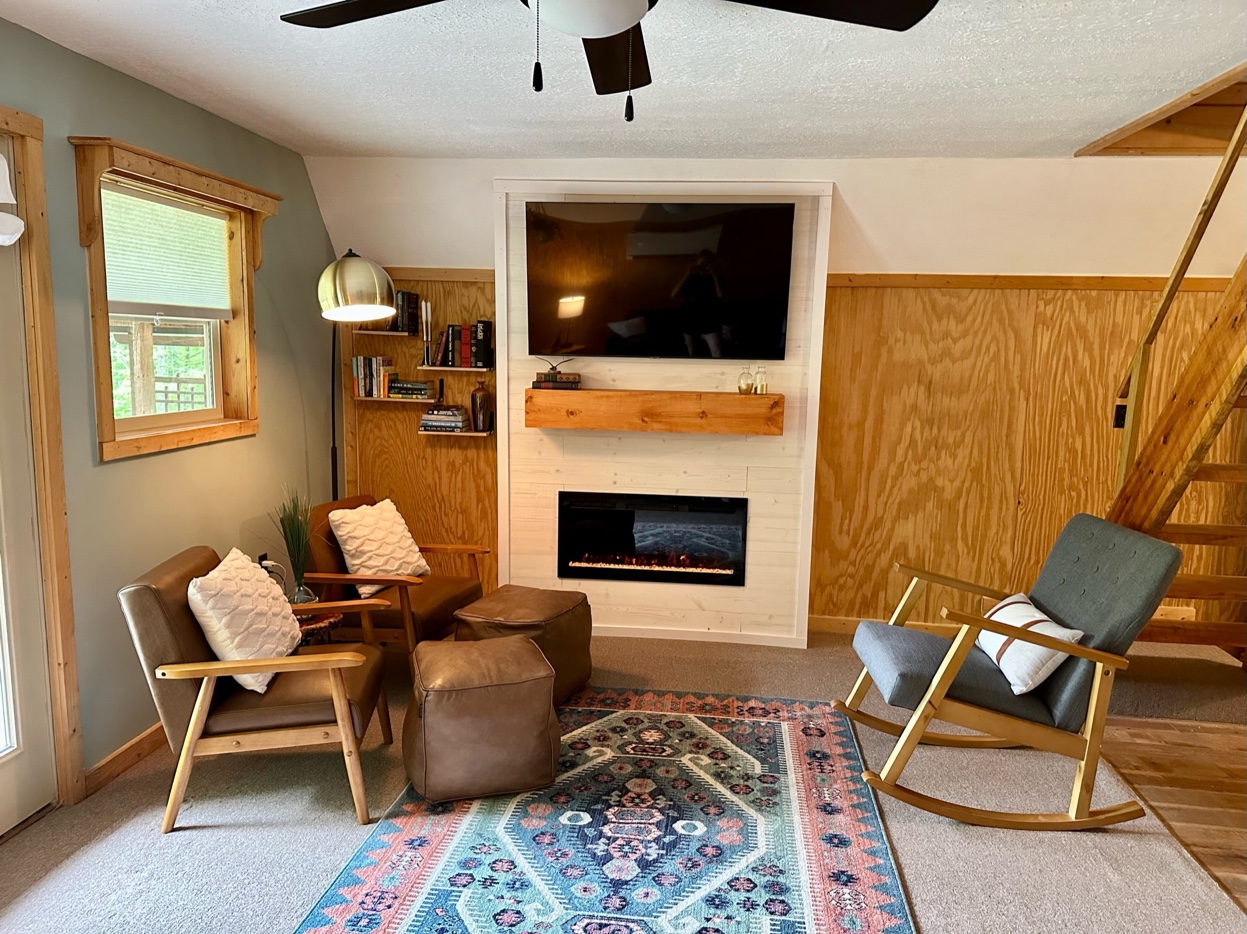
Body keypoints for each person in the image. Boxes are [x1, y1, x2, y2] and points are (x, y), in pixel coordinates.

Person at [672, 249, 725, 357]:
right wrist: (688, 273)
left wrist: (713, 274)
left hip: (710, 320)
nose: (704, 266)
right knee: (691, 350)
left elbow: (721, 295)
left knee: (717, 352)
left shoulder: (716, 278)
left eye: (707, 263)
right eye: (701, 263)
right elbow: (674, 294)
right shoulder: (691, 278)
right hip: (690, 319)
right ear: (697, 263)